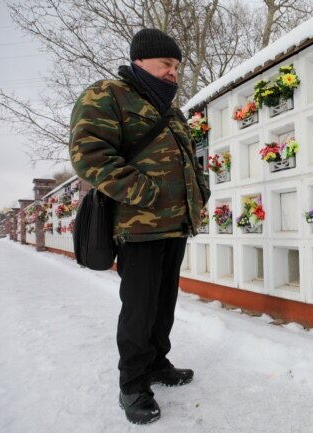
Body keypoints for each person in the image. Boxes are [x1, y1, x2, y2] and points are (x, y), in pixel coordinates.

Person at [69, 28, 210, 425]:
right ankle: (132, 383)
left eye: (177, 66)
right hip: (138, 224)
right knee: (139, 307)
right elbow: (89, 155)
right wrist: (144, 192)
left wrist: (200, 192)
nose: (174, 73)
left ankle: (157, 363)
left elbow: (186, 159)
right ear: (140, 60)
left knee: (164, 302)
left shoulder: (169, 109)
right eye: (166, 63)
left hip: (175, 222)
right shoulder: (109, 95)